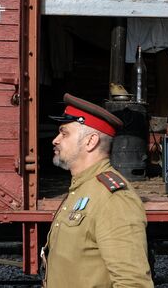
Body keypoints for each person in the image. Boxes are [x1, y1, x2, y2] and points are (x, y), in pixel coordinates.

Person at [41, 93, 154, 288]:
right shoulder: (82, 187)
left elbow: (133, 283)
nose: (55, 140)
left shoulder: (114, 199)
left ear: (91, 141)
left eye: (64, 133)